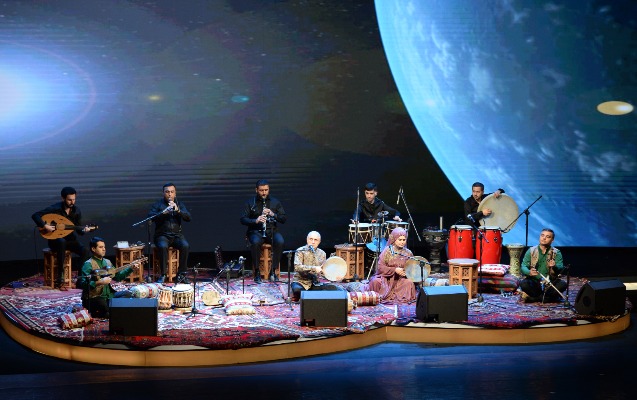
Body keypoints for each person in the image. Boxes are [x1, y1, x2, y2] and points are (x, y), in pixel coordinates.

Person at [32, 186, 92, 291]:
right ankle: (60, 276)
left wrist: (84, 230)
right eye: (69, 200)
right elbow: (35, 215)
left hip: (70, 240)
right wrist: (44, 225)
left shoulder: (76, 211)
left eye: (74, 199)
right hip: (55, 241)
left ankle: (80, 279)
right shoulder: (55, 208)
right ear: (63, 198)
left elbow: (79, 231)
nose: (72, 202)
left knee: (85, 251)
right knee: (61, 241)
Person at [76, 236, 139, 318]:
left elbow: (118, 277)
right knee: (102, 304)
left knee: (128, 294)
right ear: (93, 249)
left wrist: (131, 268)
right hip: (94, 297)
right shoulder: (88, 264)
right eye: (101, 247)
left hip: (109, 296)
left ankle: (110, 310)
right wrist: (99, 282)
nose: (104, 249)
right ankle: (110, 310)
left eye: (104, 247)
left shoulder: (107, 262)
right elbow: (82, 284)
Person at [240, 179, 286, 283]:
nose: (264, 193)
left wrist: (273, 214)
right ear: (256, 190)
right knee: (255, 243)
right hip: (255, 231)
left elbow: (283, 219)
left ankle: (273, 271)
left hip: (271, 230)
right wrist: (255, 220)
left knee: (280, 242)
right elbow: (243, 219)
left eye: (266, 190)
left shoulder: (275, 202)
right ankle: (257, 272)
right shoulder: (250, 202)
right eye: (261, 190)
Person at [148, 183, 191, 284]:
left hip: (177, 235)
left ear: (175, 194)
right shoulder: (158, 204)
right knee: (163, 246)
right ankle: (163, 274)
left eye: (172, 192)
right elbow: (150, 217)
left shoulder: (179, 204)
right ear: (163, 193)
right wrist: (163, 213)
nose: (170, 194)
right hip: (162, 235)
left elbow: (188, 218)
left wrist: (178, 211)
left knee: (185, 245)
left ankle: (182, 274)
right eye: (167, 192)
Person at [366, 227, 416, 303]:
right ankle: (378, 297)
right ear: (394, 239)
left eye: (404, 240)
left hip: (400, 280)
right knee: (375, 282)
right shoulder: (387, 251)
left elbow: (412, 268)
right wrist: (394, 270)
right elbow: (380, 267)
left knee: (409, 283)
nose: (402, 242)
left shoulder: (408, 253)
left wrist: (406, 272)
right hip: (386, 278)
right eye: (400, 240)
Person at [291, 231, 343, 302]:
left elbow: (323, 273)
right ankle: (315, 296)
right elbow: (297, 267)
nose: (313, 242)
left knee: (336, 289)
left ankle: (311, 296)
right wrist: (314, 268)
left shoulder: (322, 253)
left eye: (315, 240)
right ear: (307, 239)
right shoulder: (300, 251)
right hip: (300, 281)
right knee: (297, 290)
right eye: (311, 239)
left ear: (319, 242)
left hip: (314, 283)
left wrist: (334, 277)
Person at [519, 228, 567, 303]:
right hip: (535, 282)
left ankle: (535, 298)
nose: (544, 238)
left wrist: (554, 266)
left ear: (552, 240)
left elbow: (560, 267)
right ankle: (548, 298)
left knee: (562, 284)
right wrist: (529, 272)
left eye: (548, 237)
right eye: (542, 235)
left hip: (550, 282)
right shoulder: (531, 250)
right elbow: (523, 266)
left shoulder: (556, 252)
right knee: (524, 283)